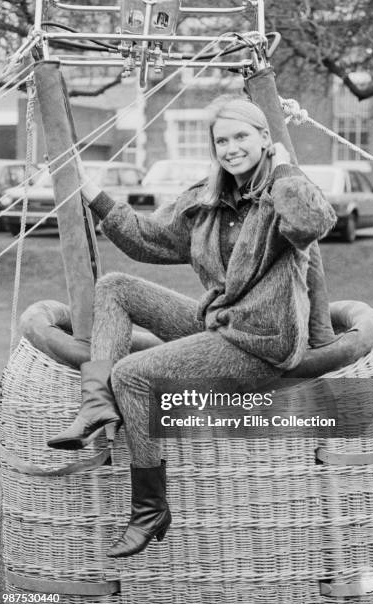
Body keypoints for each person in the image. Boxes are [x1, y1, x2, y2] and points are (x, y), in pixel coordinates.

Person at [48, 95, 337, 558]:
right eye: (221, 140)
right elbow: (146, 239)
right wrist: (91, 191)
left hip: (261, 341)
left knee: (134, 375)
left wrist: (283, 167)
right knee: (117, 287)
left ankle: (149, 506)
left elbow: (314, 219)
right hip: (218, 326)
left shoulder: (283, 197)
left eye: (242, 136)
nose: (231, 148)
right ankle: (96, 402)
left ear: (265, 138)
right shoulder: (207, 202)